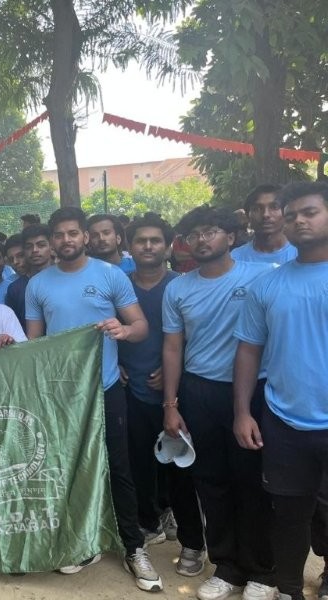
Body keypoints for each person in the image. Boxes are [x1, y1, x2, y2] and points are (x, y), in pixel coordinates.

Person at [25, 206, 161, 593]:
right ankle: (83, 543)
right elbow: (33, 343)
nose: (66, 240)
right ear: (52, 241)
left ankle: (134, 548)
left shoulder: (110, 275)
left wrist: (124, 330)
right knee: (69, 468)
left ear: (85, 236)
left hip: (105, 388)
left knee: (119, 468)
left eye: (73, 233)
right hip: (60, 394)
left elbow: (140, 326)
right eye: (59, 235)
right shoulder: (38, 284)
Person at [161, 206, 276, 600]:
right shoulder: (178, 288)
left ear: (231, 236)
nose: (201, 239)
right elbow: (173, 346)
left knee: (253, 483)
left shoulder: (262, 276)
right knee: (211, 482)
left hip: (253, 392)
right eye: (194, 234)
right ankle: (227, 568)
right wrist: (171, 404)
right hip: (199, 391)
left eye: (210, 231)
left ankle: (263, 572)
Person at [233, 182, 328, 600]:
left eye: (310, 212)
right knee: (289, 513)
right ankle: (289, 588)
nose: (298, 221)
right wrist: (242, 412)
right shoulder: (266, 286)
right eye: (292, 216)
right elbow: (248, 351)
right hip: (284, 419)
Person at [118, 213, 206, 577]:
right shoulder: (119, 284)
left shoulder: (182, 286)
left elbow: (195, 337)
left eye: (156, 240)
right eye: (141, 240)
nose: (148, 246)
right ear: (130, 245)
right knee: (137, 464)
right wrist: (116, 363)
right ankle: (148, 523)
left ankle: (193, 542)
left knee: (182, 471)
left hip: (177, 393)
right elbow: (107, 330)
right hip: (131, 390)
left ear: (168, 246)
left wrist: (172, 373)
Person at [231, 184, 298, 264]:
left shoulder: (303, 254)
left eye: (274, 207)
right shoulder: (235, 259)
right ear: (247, 216)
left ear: (287, 213)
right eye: (257, 209)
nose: (265, 215)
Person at [6, 224, 53, 331]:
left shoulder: (65, 276)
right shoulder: (15, 289)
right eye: (29, 247)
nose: (35, 250)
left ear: (51, 246)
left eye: (41, 245)